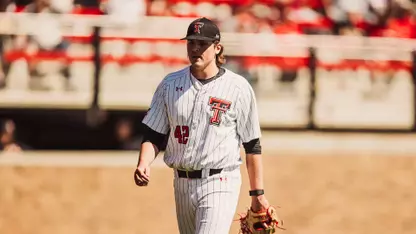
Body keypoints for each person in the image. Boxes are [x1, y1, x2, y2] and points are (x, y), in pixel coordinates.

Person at [134, 17, 278, 234]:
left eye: (202, 43)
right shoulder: (170, 84)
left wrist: (257, 194)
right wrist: (144, 162)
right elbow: (154, 133)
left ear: (217, 48)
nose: (195, 48)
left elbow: (252, 145)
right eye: (191, 42)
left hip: (220, 180)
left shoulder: (238, 87)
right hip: (181, 183)